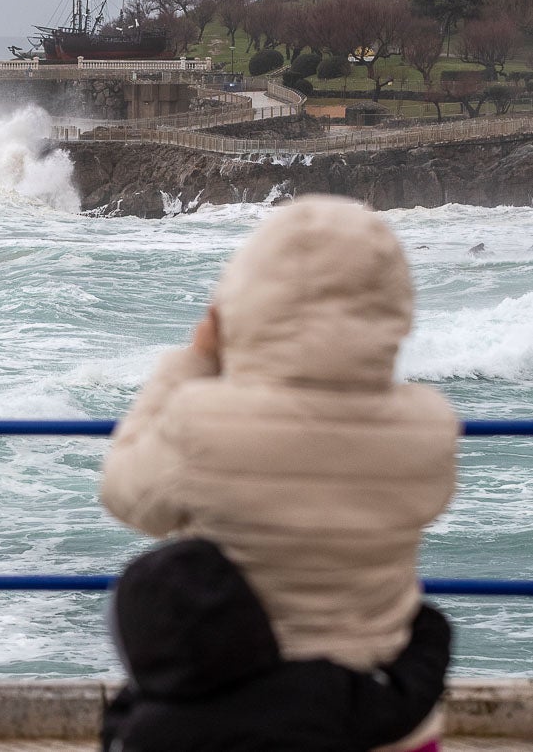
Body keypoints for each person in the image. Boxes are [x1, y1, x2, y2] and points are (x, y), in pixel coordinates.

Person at [101, 196, 459, 751]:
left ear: (245, 298)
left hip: (242, 720)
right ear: (393, 305)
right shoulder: (431, 426)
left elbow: (126, 495)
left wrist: (193, 362)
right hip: (384, 715)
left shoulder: (201, 421)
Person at [102, 538, 452, 752]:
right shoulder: (314, 692)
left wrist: (149, 687)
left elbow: (115, 729)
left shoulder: (144, 728)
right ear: (250, 615)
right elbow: (407, 698)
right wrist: (428, 628)